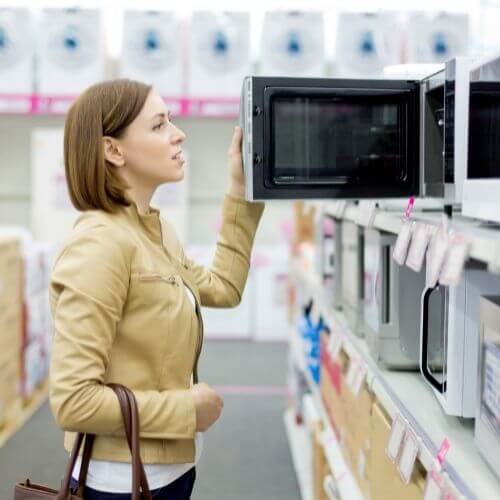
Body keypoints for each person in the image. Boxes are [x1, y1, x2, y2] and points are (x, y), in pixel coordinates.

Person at [49, 79, 265, 499]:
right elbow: (73, 400)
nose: (178, 132)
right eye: (159, 124)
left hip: (169, 471)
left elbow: (222, 287)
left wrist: (240, 189)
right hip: (120, 482)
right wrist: (187, 409)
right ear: (114, 150)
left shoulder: (156, 230)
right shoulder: (100, 244)